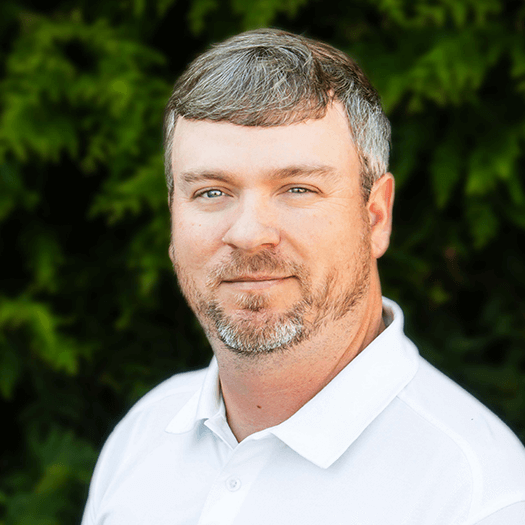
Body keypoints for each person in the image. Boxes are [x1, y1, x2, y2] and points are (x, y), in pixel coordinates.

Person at [81, 28, 525, 525]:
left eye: (297, 189)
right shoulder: (144, 434)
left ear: (375, 217)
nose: (249, 234)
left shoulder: (475, 497)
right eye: (211, 192)